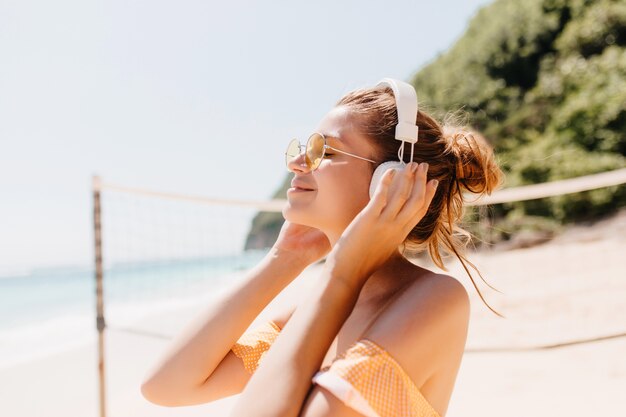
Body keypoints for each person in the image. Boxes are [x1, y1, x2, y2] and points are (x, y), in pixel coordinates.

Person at [141, 78, 504, 417]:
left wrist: (342, 272)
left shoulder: (433, 298)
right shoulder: (316, 309)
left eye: (324, 151)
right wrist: (285, 259)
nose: (297, 163)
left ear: (389, 179)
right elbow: (166, 386)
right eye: (304, 148)